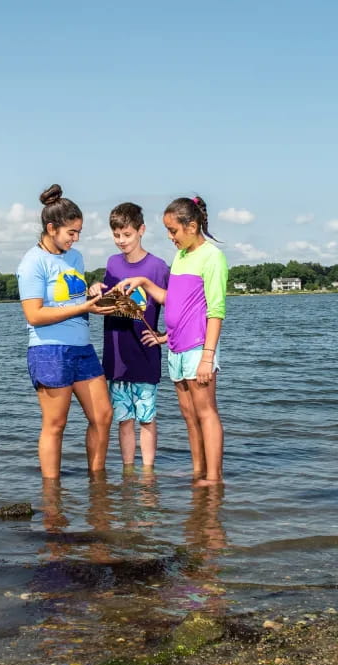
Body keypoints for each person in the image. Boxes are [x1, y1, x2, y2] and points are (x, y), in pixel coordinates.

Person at [116, 195, 228, 486]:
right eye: (167, 231)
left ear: (192, 226)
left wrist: (207, 356)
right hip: (176, 349)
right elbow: (173, 300)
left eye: (173, 231)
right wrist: (143, 282)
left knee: (206, 413)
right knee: (190, 418)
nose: (170, 237)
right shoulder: (181, 257)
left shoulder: (212, 257)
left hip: (198, 350)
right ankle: (198, 472)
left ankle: (214, 478)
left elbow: (215, 311)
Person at [16, 184, 114, 481]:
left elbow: (75, 296)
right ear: (51, 228)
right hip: (49, 350)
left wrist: (93, 292)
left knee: (103, 416)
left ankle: (98, 485)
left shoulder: (76, 258)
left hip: (82, 348)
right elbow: (34, 315)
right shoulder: (32, 263)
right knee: (55, 424)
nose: (75, 239)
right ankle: (52, 493)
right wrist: (86, 308)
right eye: (71, 232)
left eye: (78, 233)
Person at [91, 202, 170, 474]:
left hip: (146, 354)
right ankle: (127, 472)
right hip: (116, 354)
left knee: (147, 419)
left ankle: (147, 474)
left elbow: (178, 306)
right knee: (123, 420)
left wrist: (164, 338)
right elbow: (104, 302)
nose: (121, 241)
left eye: (127, 235)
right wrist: (94, 291)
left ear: (141, 230)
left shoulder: (158, 267)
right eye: (116, 235)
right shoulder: (112, 263)